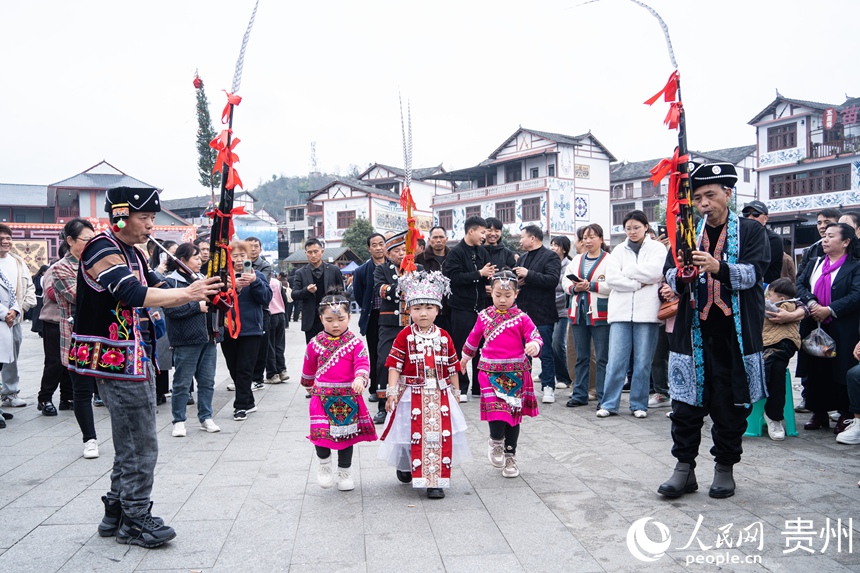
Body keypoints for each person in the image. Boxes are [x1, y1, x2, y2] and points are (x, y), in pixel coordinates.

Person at [69, 186, 222, 547]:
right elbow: (133, 294)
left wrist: (206, 285)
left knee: (129, 439)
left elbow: (159, 284)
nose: (151, 225)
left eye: (153, 217)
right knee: (141, 442)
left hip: (134, 356)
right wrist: (189, 293)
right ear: (120, 216)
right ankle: (136, 518)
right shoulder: (101, 247)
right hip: (117, 359)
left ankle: (116, 510)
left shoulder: (132, 252)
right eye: (145, 218)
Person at [657, 163, 768, 500]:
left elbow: (754, 273)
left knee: (729, 403)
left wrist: (719, 267)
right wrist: (683, 276)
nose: (704, 202)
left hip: (733, 332)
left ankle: (724, 467)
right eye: (699, 196)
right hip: (693, 331)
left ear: (728, 194)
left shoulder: (750, 230)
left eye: (711, 195)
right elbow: (669, 274)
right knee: (686, 404)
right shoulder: (686, 229)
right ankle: (684, 468)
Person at [378, 271, 468, 499]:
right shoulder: (404, 336)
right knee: (409, 431)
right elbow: (394, 366)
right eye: (417, 309)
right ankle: (407, 465)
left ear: (437, 310)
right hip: (410, 392)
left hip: (439, 393)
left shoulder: (445, 336)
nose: (423, 313)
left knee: (438, 435)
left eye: (428, 308)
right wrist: (391, 393)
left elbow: (452, 367)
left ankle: (434, 480)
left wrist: (456, 392)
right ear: (409, 310)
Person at [460, 268, 542, 478]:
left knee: (513, 416)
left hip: (515, 372)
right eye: (498, 295)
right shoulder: (484, 316)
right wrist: (465, 357)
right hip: (488, 371)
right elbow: (473, 337)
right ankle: (496, 441)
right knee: (497, 411)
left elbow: (535, 336)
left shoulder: (522, 318)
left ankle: (510, 455)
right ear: (491, 293)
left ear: (516, 295)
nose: (502, 299)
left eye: (507, 295)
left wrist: (533, 345)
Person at [301, 293, 377, 491]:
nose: (336, 324)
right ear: (321, 320)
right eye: (329, 320)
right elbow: (308, 368)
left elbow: (362, 363)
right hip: (321, 397)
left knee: (346, 437)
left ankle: (345, 473)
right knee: (321, 433)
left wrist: (360, 378)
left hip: (347, 397)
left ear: (349, 318)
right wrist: (308, 384)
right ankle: (324, 466)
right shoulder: (315, 343)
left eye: (341, 319)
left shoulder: (355, 343)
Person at [597, 211, 666, 419]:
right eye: (628, 228)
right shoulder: (618, 250)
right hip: (620, 313)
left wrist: (627, 271)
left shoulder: (657, 248)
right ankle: (609, 404)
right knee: (616, 361)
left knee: (643, 361)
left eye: (636, 227)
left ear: (646, 227)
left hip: (647, 313)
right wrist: (638, 282)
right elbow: (612, 279)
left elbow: (656, 272)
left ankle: (639, 404)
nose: (632, 232)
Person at [793, 223, 860, 433]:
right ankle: (818, 412)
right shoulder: (815, 263)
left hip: (842, 325)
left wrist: (829, 309)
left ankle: (845, 413)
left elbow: (856, 294)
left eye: (831, 236)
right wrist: (813, 304)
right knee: (815, 369)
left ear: (846, 242)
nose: (825, 240)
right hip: (814, 323)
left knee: (841, 368)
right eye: (825, 236)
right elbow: (800, 285)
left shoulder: (854, 266)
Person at [162, 243, 221, 437]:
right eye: (195, 257)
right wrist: (197, 307)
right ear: (182, 260)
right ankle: (179, 420)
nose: (199, 260)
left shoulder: (202, 279)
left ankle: (206, 417)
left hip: (208, 336)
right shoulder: (171, 282)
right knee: (182, 383)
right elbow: (171, 309)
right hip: (185, 339)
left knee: (207, 381)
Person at [53, 218, 99, 456]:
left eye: (94, 240)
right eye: (87, 240)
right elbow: (79, 296)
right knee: (82, 391)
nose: (92, 244)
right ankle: (89, 439)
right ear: (70, 241)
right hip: (76, 338)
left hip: (103, 336)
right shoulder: (61, 268)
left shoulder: (98, 263)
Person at [372, 231, 422, 423]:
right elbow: (381, 291)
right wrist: (403, 284)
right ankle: (383, 405)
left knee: (416, 361)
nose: (401, 253)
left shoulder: (418, 268)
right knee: (385, 360)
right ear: (388, 253)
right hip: (390, 324)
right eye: (397, 250)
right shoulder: (381, 269)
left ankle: (414, 401)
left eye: (405, 249)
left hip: (415, 323)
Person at [443, 216, 494, 401]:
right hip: (461, 307)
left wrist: (489, 277)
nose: (484, 236)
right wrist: (479, 274)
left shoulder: (483, 252)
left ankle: (479, 387)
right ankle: (462, 388)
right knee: (462, 347)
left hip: (480, 307)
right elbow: (453, 278)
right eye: (482, 232)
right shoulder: (455, 253)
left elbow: (486, 275)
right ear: (471, 231)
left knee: (482, 347)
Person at [220, 240, 273, 420]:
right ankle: (248, 401)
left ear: (249, 257)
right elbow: (215, 301)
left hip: (251, 329)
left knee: (244, 368)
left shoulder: (257, 275)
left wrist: (255, 282)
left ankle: (240, 406)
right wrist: (229, 288)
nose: (239, 260)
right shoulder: (223, 277)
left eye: (243, 256)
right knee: (233, 368)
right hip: (228, 328)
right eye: (234, 256)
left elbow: (265, 299)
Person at [562, 224, 611, 407]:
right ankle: (580, 394)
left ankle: (603, 396)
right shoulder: (577, 260)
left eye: (592, 237)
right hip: (578, 313)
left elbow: (612, 284)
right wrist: (575, 288)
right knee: (581, 356)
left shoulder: (609, 260)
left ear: (600, 238)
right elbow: (565, 282)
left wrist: (591, 285)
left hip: (601, 314)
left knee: (602, 357)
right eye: (585, 237)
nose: (588, 241)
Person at [513, 225, 561, 404]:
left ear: (533, 238)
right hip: (522, 313)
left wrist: (529, 274)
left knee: (545, 351)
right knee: (522, 354)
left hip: (543, 313)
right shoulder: (522, 258)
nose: (520, 240)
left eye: (522, 236)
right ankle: (524, 388)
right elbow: (516, 280)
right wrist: (518, 281)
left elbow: (552, 280)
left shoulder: (550, 256)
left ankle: (548, 386)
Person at [759, 278, 802, 440]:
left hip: (784, 344)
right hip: (769, 347)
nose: (767, 297)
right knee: (776, 368)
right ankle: (773, 415)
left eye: (770, 295)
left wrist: (758, 298)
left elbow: (769, 310)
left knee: (768, 365)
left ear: (782, 298)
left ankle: (774, 417)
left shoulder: (788, 306)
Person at [0, 223, 36, 409]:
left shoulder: (18, 262)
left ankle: (10, 393)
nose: (5, 242)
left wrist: (17, 311)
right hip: (1, 317)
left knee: (12, 357)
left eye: (8, 238)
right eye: (2, 239)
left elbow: (29, 289)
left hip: (14, 319)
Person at [36, 262, 73, 415]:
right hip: (54, 321)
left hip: (73, 320)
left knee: (71, 361)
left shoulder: (83, 266)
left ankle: (67, 397)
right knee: (55, 361)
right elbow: (51, 293)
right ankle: (45, 398)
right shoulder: (56, 268)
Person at [353, 232, 386, 403]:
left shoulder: (393, 266)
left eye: (381, 243)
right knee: (374, 353)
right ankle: (375, 388)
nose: (379, 247)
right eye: (374, 244)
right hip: (373, 316)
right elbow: (359, 296)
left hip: (392, 316)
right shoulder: (361, 271)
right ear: (369, 248)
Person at [293, 239, 344, 343]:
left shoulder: (334, 270)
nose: (313, 255)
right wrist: (306, 290)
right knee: (313, 353)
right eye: (310, 252)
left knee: (333, 351)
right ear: (306, 253)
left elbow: (342, 294)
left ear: (322, 251)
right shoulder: (300, 273)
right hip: (311, 321)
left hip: (331, 318)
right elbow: (294, 294)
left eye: (316, 251)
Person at [416, 226, 451, 332]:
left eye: (441, 237)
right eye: (435, 237)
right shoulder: (420, 259)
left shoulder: (454, 257)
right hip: (427, 310)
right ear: (429, 239)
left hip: (450, 310)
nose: (438, 240)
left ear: (446, 239)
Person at [550, 236, 573, 390]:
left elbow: (564, 291)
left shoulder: (568, 266)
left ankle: (564, 377)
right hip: (548, 310)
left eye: (556, 245)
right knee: (546, 343)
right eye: (551, 244)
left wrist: (549, 299)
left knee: (558, 344)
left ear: (564, 249)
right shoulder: (549, 263)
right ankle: (550, 372)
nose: (552, 248)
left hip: (562, 311)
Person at [742, 200, 783, 284]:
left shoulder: (774, 239)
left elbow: (755, 265)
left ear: (765, 218)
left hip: (767, 290)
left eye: (755, 214)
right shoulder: (740, 237)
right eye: (746, 214)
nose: (750, 217)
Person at [264, 274, 290, 384]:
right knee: (279, 345)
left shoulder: (261, 281)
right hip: (280, 315)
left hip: (269, 315)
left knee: (269, 346)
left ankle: (272, 374)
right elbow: (284, 300)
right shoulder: (277, 282)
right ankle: (282, 371)